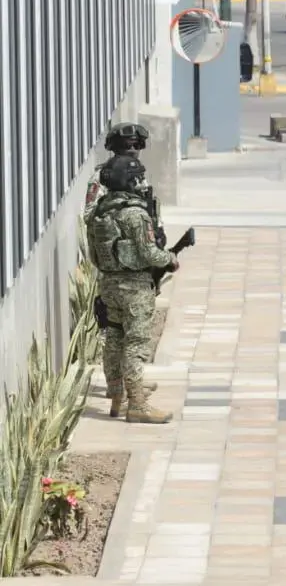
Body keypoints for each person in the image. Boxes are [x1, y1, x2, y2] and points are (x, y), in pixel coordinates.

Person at [85, 155, 178, 424]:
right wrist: (170, 259)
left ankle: (117, 396)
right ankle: (137, 404)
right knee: (135, 343)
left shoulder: (99, 212)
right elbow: (149, 253)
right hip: (135, 288)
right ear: (129, 181)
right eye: (137, 178)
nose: (141, 182)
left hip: (109, 284)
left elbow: (93, 254)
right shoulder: (135, 214)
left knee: (114, 339)